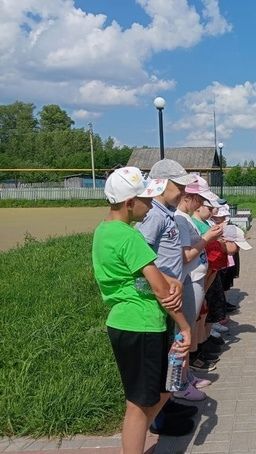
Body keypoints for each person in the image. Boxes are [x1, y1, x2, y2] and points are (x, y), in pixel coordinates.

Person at [91, 167, 191, 453]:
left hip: (125, 322)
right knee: (138, 405)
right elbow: (159, 290)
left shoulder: (104, 231)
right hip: (142, 324)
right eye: (146, 198)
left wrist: (168, 279)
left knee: (156, 392)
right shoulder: (130, 236)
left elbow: (133, 276)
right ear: (129, 203)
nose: (151, 203)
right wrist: (184, 326)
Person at [135, 158, 200, 435]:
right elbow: (141, 256)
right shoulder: (153, 215)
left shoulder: (166, 213)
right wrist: (161, 284)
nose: (183, 191)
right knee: (162, 358)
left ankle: (168, 403)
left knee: (171, 354)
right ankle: (157, 419)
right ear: (162, 183)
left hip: (169, 293)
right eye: (179, 185)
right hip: (158, 296)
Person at [174, 176, 224, 398]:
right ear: (190, 197)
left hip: (195, 279)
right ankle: (179, 383)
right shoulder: (181, 219)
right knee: (183, 334)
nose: (200, 204)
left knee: (189, 329)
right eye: (199, 200)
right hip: (189, 279)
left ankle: (186, 376)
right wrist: (207, 238)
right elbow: (185, 256)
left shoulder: (184, 218)